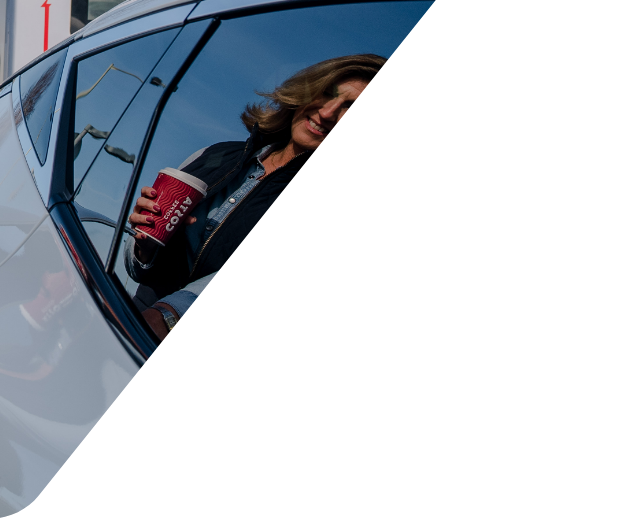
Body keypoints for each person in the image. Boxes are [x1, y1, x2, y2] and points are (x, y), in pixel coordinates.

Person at [125, 54, 437, 364]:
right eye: (327, 92)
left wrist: (173, 314)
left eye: (352, 111)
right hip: (131, 324)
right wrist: (143, 248)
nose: (327, 112)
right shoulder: (216, 155)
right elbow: (140, 268)